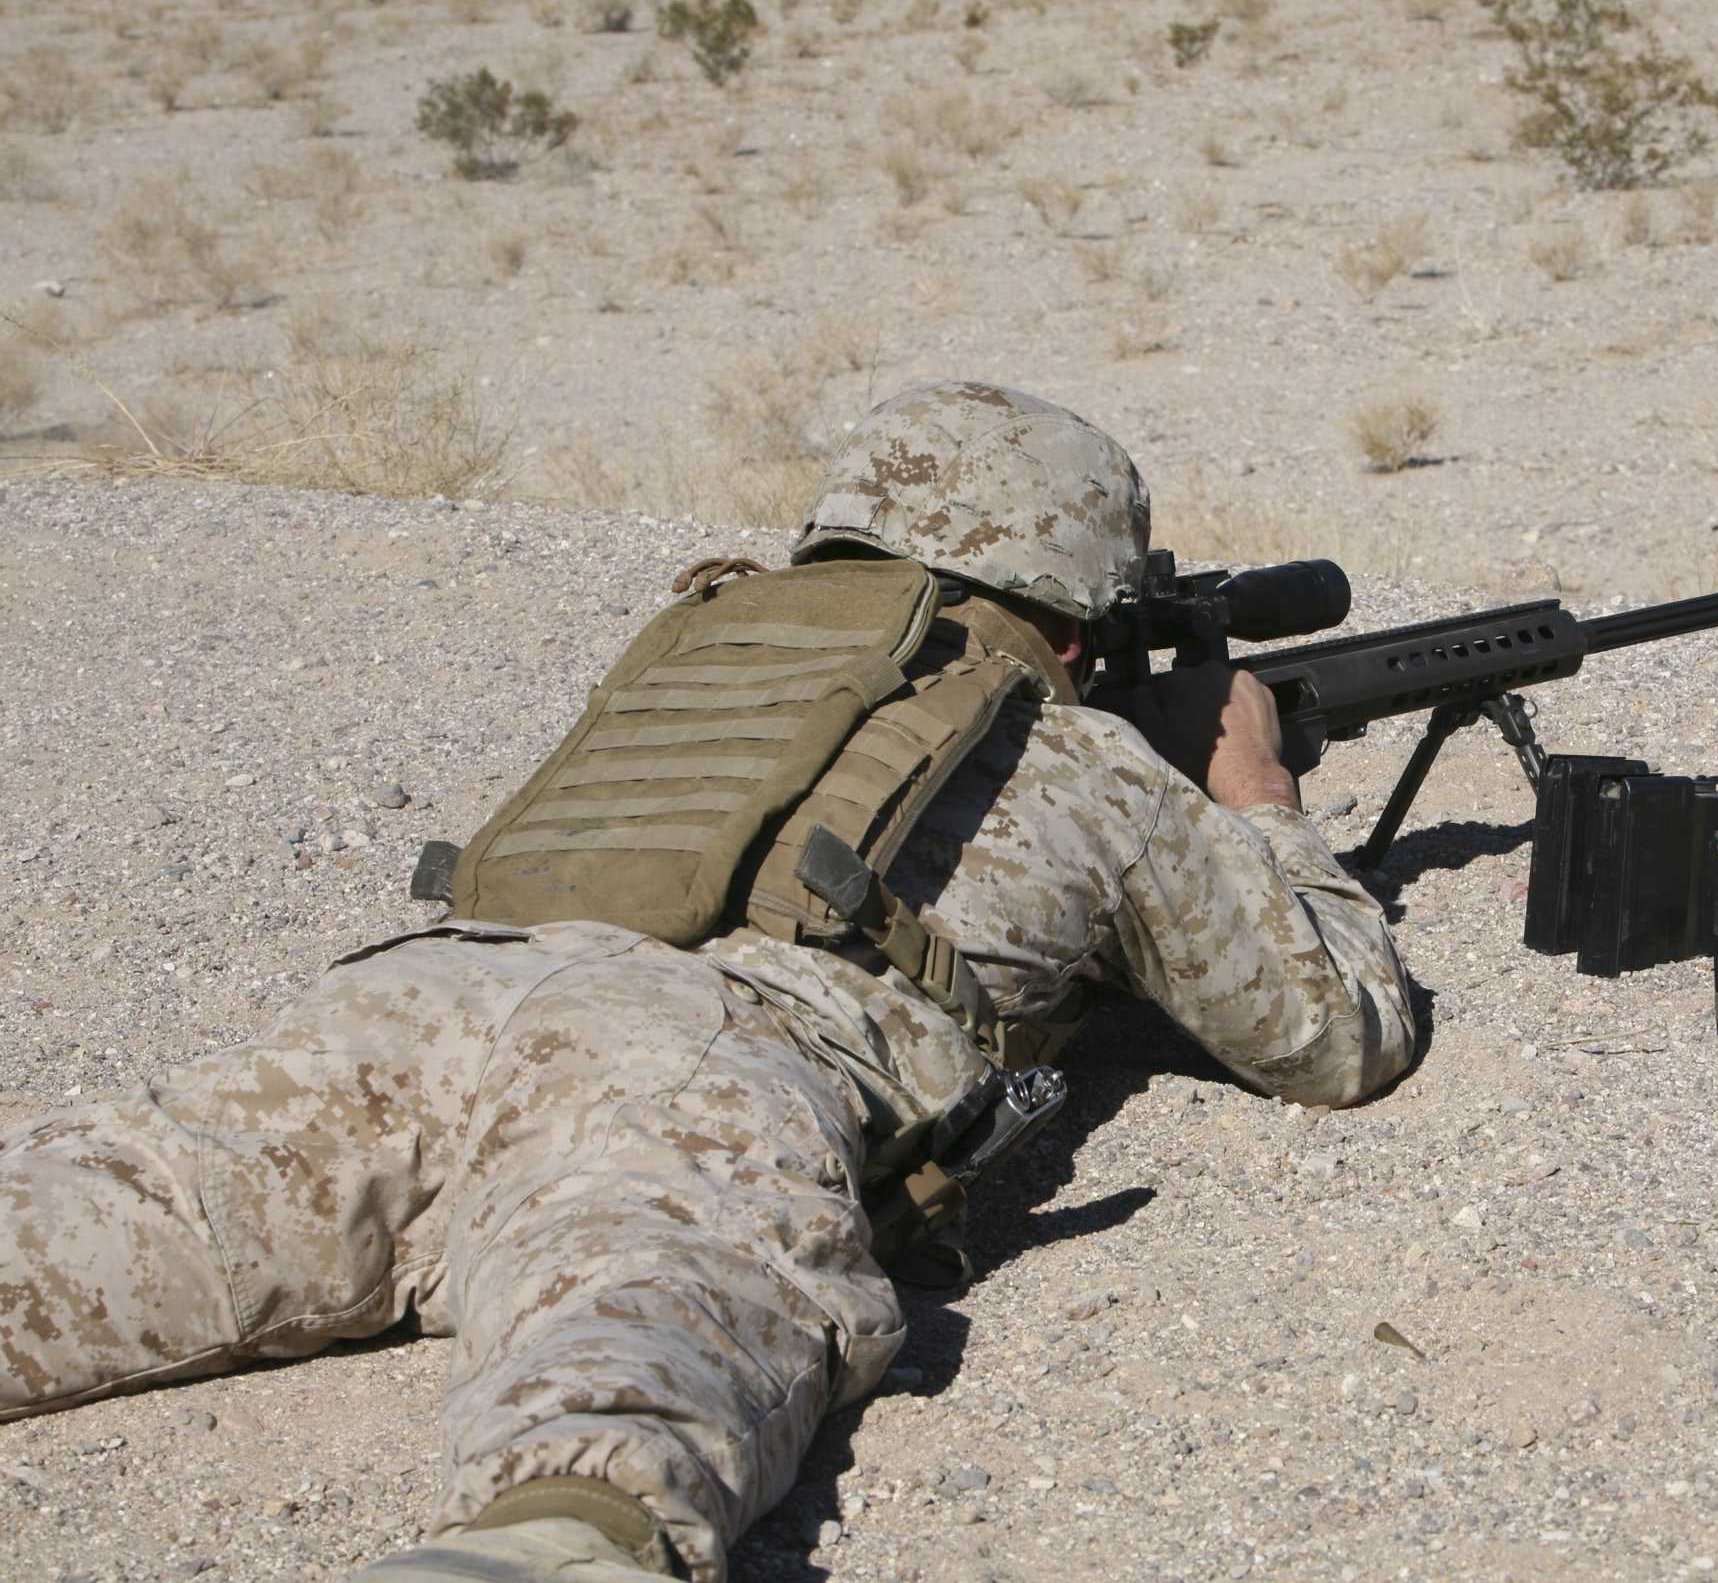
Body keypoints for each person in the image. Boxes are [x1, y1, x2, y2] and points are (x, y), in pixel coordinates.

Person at [0, 382, 1417, 1582]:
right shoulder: (1089, 756)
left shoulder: (704, 663)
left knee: (117, 1209)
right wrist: (1251, 788)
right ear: (1073, 631)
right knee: (641, 1335)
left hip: (428, 1000)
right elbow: (1338, 1034)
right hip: (700, 1058)